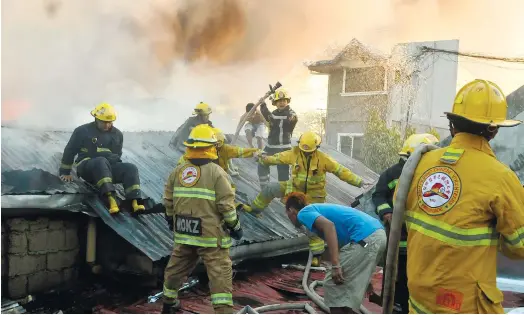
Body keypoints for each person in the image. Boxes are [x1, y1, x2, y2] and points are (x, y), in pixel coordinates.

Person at [395, 79, 524, 314]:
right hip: (464, 304)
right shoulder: (500, 177)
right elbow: (519, 246)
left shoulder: (421, 163)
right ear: (494, 129)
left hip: (420, 297)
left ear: (452, 124)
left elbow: (400, 208)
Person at [242, 131, 366, 267]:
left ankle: (317, 257)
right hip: (295, 191)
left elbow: (341, 171)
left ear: (316, 148)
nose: (305, 153)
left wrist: (359, 182)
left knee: (312, 226)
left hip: (313, 198)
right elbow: (277, 158)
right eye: (303, 150)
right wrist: (262, 158)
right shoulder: (294, 153)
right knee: (270, 189)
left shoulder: (324, 159)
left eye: (309, 152)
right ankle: (255, 209)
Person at [162, 124, 243, 314]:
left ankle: (168, 303)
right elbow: (226, 206)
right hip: (210, 237)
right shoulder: (217, 173)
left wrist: (171, 219)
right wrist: (235, 226)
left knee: (175, 269)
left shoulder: (178, 171)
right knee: (219, 274)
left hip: (184, 233)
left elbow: (168, 200)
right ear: (211, 147)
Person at [285, 192, 386, 314]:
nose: (289, 219)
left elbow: (329, 226)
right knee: (341, 286)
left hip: (365, 238)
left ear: (291, 210)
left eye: (288, 215)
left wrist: (335, 265)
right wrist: (365, 277)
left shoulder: (304, 213)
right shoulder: (317, 211)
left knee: (332, 283)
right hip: (372, 238)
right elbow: (349, 249)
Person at [372, 133, 439, 313]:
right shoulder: (392, 173)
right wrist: (387, 212)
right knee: (395, 280)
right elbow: (378, 195)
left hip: (423, 243)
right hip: (399, 241)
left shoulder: (433, 174)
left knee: (419, 282)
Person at [59, 103, 145, 214]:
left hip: (106, 168)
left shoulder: (117, 134)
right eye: (104, 122)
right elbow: (70, 150)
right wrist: (65, 172)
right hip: (87, 167)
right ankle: (111, 200)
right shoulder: (82, 131)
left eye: (109, 122)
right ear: (96, 118)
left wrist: (116, 167)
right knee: (101, 161)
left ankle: (134, 202)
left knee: (130, 168)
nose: (107, 125)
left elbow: (117, 155)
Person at [258, 88, 298, 189]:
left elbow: (287, 118)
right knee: (262, 162)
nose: (282, 103)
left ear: (287, 101)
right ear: (275, 103)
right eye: (279, 101)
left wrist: (263, 105)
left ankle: (284, 193)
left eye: (284, 100)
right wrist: (263, 104)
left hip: (284, 148)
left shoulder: (290, 113)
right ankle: (264, 188)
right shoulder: (274, 113)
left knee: (283, 171)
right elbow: (269, 117)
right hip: (270, 147)